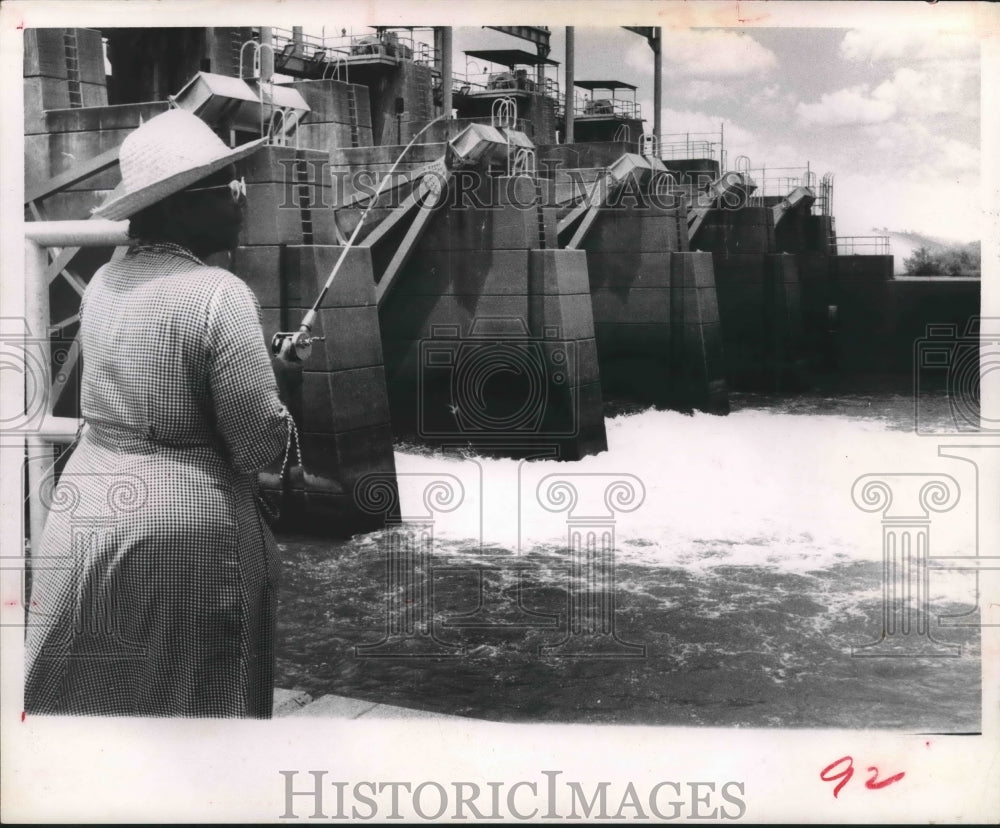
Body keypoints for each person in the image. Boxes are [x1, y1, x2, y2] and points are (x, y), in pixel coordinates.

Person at [24, 109, 295, 717]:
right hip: (184, 523)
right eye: (227, 189)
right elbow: (258, 446)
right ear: (175, 207)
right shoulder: (218, 293)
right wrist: (282, 386)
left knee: (103, 691)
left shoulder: (104, 282)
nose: (240, 200)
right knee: (203, 698)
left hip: (90, 500)